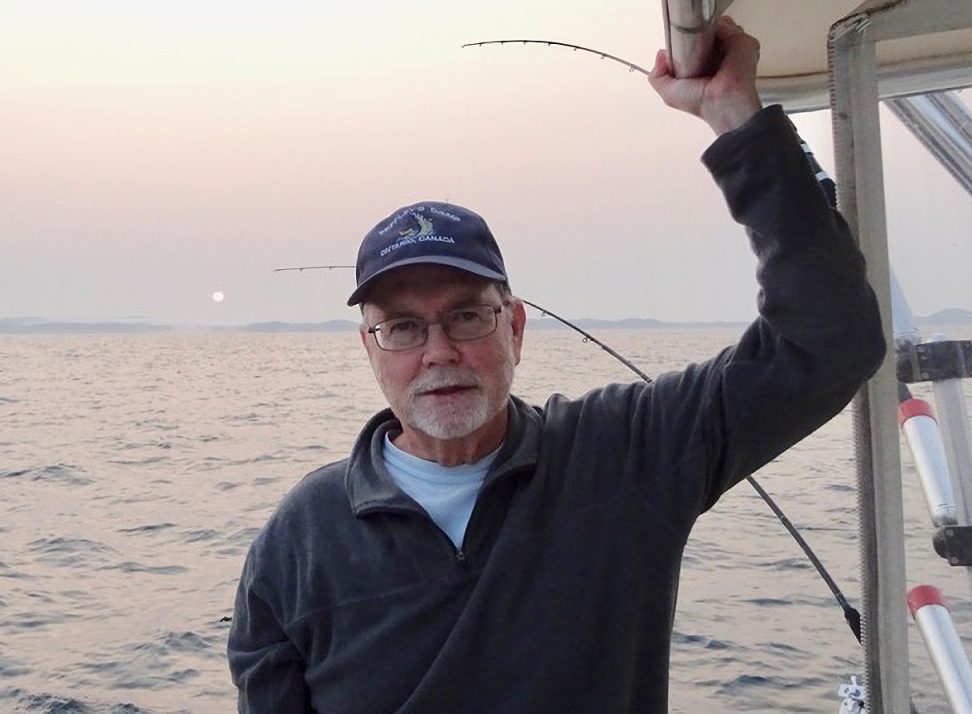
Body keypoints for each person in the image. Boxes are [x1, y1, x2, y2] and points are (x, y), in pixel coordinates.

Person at [228, 17, 885, 713]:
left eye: (466, 316)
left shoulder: (628, 451)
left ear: (514, 326)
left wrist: (737, 121)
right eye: (402, 328)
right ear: (371, 349)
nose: (439, 351)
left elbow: (828, 341)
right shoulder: (299, 536)